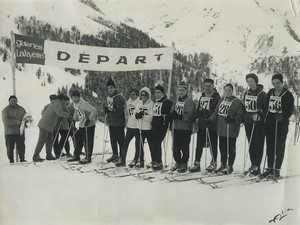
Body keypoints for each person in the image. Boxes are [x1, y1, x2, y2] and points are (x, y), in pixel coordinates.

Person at [207, 83, 244, 174]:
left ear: (233, 91)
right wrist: (210, 120)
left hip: (231, 129)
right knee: (222, 148)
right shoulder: (221, 100)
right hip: (221, 128)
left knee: (230, 148)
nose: (227, 92)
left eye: (229, 90)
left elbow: (240, 116)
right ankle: (223, 164)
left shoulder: (237, 102)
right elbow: (216, 112)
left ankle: (230, 165)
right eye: (226, 90)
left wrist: (233, 120)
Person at [263, 73, 294, 178]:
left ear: (282, 82)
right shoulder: (270, 92)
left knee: (279, 147)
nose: (276, 85)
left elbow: (289, 111)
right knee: (270, 146)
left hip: (281, 124)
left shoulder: (287, 94)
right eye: (274, 83)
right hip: (270, 123)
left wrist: (283, 116)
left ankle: (277, 169)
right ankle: (270, 167)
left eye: (278, 83)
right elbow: (267, 106)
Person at [190, 78, 221, 173]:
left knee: (213, 144)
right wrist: (195, 116)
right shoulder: (202, 96)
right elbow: (199, 107)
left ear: (213, 86)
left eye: (209, 86)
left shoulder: (216, 97)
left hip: (211, 124)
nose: (207, 88)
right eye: (205, 86)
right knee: (199, 144)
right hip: (202, 123)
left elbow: (216, 110)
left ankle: (214, 162)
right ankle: (197, 163)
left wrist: (208, 113)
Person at [33, 94, 70, 162]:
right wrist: (68, 115)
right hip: (45, 124)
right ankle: (36, 155)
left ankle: (49, 154)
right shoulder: (57, 103)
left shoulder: (55, 103)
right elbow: (60, 113)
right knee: (42, 140)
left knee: (49, 140)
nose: (65, 103)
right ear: (61, 100)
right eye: (64, 101)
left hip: (49, 125)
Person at [243, 73, 267, 175]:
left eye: (251, 81)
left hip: (259, 123)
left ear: (256, 81)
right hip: (248, 122)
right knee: (251, 144)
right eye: (248, 81)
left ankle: (257, 165)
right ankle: (253, 164)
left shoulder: (262, 94)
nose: (250, 83)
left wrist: (259, 115)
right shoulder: (247, 93)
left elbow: (266, 109)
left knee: (258, 144)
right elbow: (245, 107)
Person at [170, 81, 195, 173]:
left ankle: (184, 163)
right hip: (176, 127)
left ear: (186, 91)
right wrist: (172, 114)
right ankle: (178, 162)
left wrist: (181, 116)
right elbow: (172, 110)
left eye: (182, 90)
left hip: (185, 128)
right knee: (175, 147)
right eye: (179, 90)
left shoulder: (189, 102)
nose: (180, 92)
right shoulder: (177, 101)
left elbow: (190, 114)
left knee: (184, 146)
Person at [67, 90, 97, 164]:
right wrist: (74, 119)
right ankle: (76, 155)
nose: (74, 99)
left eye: (76, 97)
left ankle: (88, 157)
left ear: (79, 97)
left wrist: (89, 119)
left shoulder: (83, 104)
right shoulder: (75, 104)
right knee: (78, 140)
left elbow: (94, 110)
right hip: (82, 125)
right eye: (73, 97)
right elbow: (77, 113)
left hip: (89, 125)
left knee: (88, 141)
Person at [115, 88, 141, 167]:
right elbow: (126, 113)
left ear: (137, 95)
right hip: (130, 126)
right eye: (130, 94)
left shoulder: (140, 102)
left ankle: (136, 159)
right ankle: (122, 159)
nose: (131, 96)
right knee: (125, 143)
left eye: (133, 94)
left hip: (137, 126)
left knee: (137, 144)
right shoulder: (128, 102)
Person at [150, 85, 173, 170]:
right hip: (154, 125)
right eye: (155, 92)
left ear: (162, 93)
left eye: (158, 92)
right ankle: (155, 160)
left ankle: (159, 162)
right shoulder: (155, 102)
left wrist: (166, 119)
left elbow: (169, 113)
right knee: (153, 143)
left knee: (156, 142)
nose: (157, 94)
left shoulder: (167, 102)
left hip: (162, 125)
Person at [104, 78, 126, 163]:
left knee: (120, 141)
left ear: (115, 88)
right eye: (108, 88)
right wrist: (106, 113)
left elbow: (120, 111)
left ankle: (122, 156)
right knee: (113, 139)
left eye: (111, 88)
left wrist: (111, 111)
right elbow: (108, 109)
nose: (110, 90)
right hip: (112, 122)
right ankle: (115, 154)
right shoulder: (109, 97)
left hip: (119, 123)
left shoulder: (119, 98)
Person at [133, 87, 154, 168]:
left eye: (145, 94)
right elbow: (135, 114)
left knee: (151, 146)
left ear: (148, 95)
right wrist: (137, 116)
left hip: (148, 128)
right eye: (142, 94)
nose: (143, 96)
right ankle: (140, 160)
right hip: (139, 127)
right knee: (139, 145)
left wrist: (143, 116)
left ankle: (154, 160)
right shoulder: (138, 103)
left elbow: (151, 117)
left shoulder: (151, 104)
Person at [2, 95, 27, 163]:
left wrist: (26, 122)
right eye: (11, 100)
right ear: (9, 101)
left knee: (21, 146)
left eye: (14, 100)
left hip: (20, 132)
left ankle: (22, 159)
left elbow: (26, 117)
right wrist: (16, 122)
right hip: (9, 132)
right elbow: (5, 120)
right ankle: (11, 160)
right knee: (10, 147)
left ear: (17, 101)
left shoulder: (22, 109)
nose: (13, 102)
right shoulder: (5, 110)